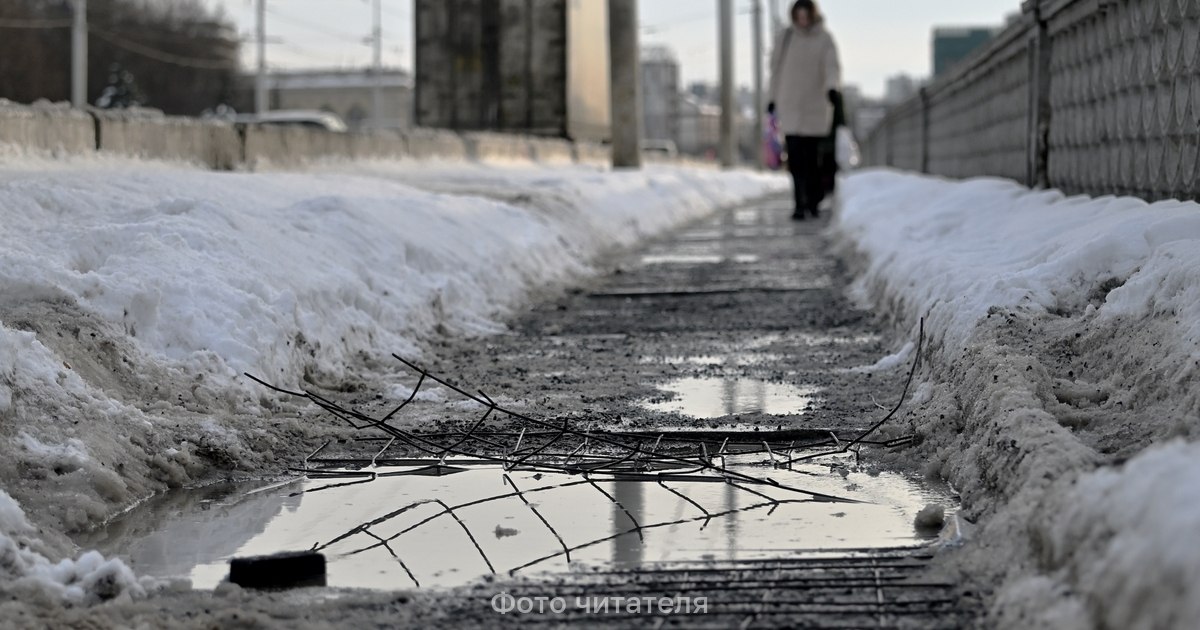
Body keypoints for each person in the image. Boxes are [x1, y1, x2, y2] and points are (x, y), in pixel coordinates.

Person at [767, 0, 842, 220]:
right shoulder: (786, 37)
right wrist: (771, 98)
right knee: (795, 158)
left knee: (812, 158)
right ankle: (799, 203)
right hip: (790, 104)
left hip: (815, 105)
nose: (802, 20)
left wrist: (832, 89)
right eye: (798, 16)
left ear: (812, 15)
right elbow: (775, 70)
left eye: (805, 15)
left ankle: (813, 199)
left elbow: (832, 66)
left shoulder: (824, 39)